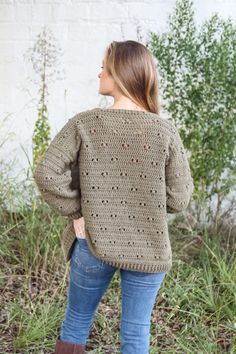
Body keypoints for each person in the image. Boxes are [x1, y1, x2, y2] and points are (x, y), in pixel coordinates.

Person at [33, 40, 194, 354]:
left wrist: (78, 213)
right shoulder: (164, 131)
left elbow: (46, 173)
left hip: (92, 243)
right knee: (135, 333)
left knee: (77, 320)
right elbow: (179, 199)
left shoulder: (85, 124)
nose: (99, 74)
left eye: (104, 67)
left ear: (121, 73)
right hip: (148, 249)